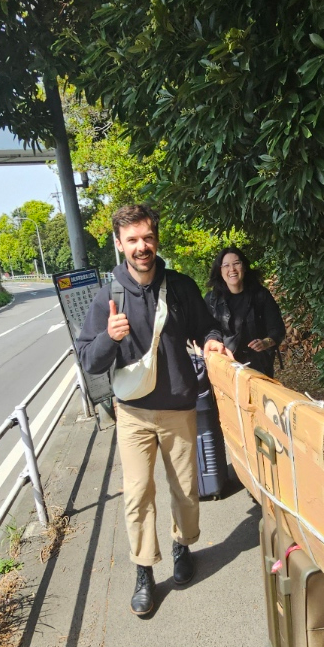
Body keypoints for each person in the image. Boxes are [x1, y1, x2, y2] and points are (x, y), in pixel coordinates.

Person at [75, 204, 230, 617]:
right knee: (138, 494)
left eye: (147, 237)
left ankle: (183, 546)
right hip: (134, 413)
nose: (141, 247)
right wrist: (109, 337)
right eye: (132, 240)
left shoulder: (178, 286)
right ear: (118, 244)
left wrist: (213, 341)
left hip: (179, 407)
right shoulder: (110, 296)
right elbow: (88, 359)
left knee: (185, 491)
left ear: (156, 239)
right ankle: (144, 569)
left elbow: (207, 325)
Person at [205, 246, 286, 377]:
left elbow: (277, 329)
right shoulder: (212, 300)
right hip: (225, 366)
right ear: (220, 271)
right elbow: (207, 330)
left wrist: (266, 342)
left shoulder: (261, 295)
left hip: (258, 367)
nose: (232, 269)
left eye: (236, 263)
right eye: (226, 265)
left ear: (244, 267)